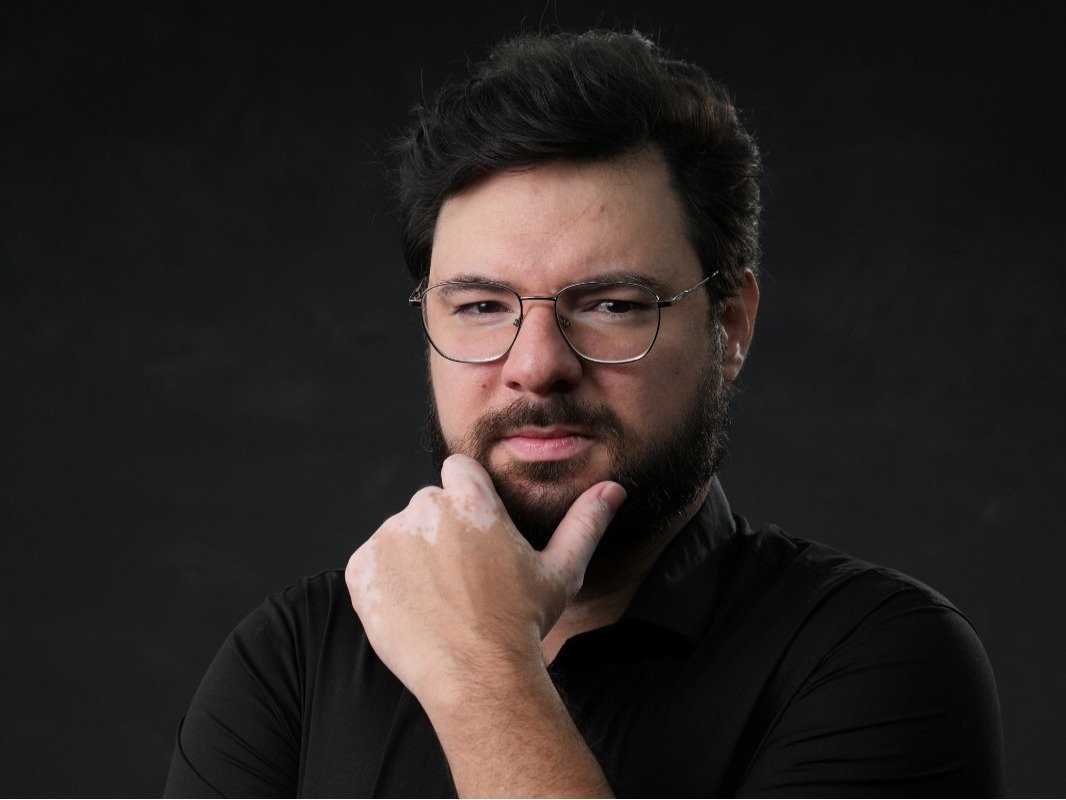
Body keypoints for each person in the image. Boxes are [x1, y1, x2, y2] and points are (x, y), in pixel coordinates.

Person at [165, 29, 1005, 797]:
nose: (536, 366)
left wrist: (483, 674)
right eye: (482, 307)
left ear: (730, 327)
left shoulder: (879, 658)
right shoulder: (293, 661)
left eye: (611, 305)